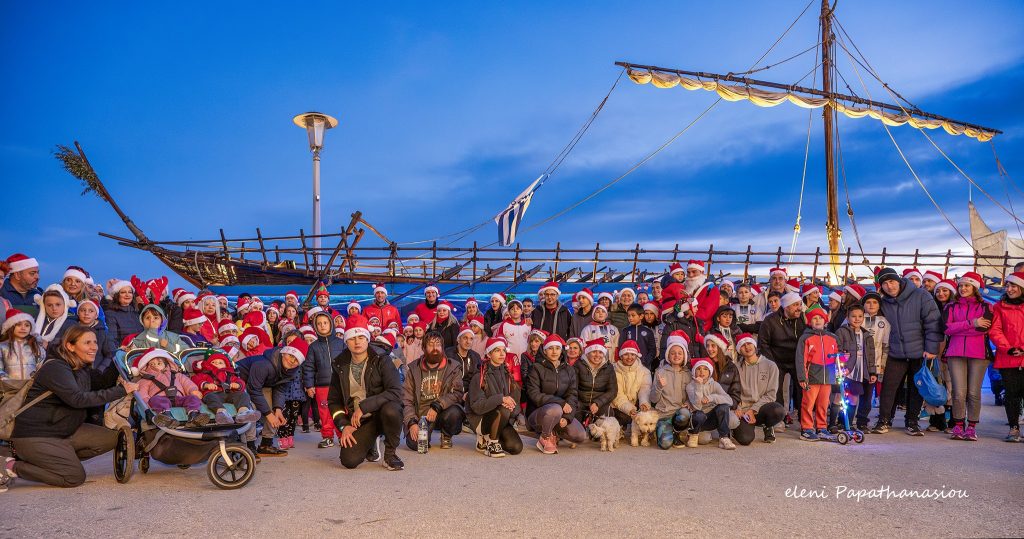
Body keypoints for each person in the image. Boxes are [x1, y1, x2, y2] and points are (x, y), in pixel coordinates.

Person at [3, 326, 135, 490]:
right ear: (70, 346)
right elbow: (77, 399)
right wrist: (121, 390)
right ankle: (11, 466)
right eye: (87, 342)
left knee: (110, 438)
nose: (94, 346)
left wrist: (120, 355)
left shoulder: (80, 368)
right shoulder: (56, 368)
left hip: (63, 430)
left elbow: (101, 382)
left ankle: (54, 459)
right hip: (36, 434)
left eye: (94, 342)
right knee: (74, 477)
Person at [327, 314, 405, 470]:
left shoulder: (382, 359)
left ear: (367, 338)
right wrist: (344, 426)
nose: (357, 342)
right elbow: (333, 401)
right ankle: (370, 442)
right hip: (359, 421)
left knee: (392, 410)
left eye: (361, 337)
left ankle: (390, 454)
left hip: (381, 412)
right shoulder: (339, 364)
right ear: (346, 341)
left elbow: (396, 391)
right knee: (349, 460)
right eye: (352, 338)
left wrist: (364, 407)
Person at [872, 267, 941, 436]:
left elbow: (933, 322)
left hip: (919, 352)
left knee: (917, 387)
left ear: (899, 281)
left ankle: (912, 421)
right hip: (895, 352)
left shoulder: (921, 296)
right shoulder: (884, 301)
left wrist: (931, 348)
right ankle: (884, 420)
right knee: (889, 387)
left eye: (892, 281)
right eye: (885, 284)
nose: (889, 286)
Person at [236, 338, 307, 457]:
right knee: (251, 408)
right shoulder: (264, 364)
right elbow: (253, 390)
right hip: (240, 382)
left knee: (275, 409)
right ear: (284, 352)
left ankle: (266, 444)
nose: (292, 361)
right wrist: (269, 415)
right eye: (291, 356)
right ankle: (250, 445)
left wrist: (278, 409)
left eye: (296, 360)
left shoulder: (291, 371)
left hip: (261, 385)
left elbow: (280, 389)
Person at [942, 272, 991, 441]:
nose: (963, 288)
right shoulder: (950, 307)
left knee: (973, 392)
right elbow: (947, 328)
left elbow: (983, 329)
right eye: (961, 285)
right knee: (958, 392)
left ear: (975, 288)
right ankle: (958, 425)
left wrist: (960, 327)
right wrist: (972, 323)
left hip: (978, 354)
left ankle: (971, 427)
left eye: (967, 285)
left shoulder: (986, 307)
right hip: (955, 353)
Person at [403, 330, 465, 451]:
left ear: (442, 347)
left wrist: (438, 405)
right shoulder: (413, 369)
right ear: (424, 347)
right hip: (421, 416)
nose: (435, 348)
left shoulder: (453, 367)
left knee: (454, 413)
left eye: (438, 345)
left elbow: (457, 393)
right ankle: (426, 434)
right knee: (415, 444)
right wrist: (411, 422)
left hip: (443, 410)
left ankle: (446, 434)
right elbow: (406, 399)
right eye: (430, 345)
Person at [526, 333, 587, 454]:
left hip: (561, 413)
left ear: (562, 350)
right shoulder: (536, 368)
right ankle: (545, 437)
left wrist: (568, 417)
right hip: (538, 413)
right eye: (550, 348)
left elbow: (572, 395)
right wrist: (561, 403)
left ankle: (554, 431)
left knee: (580, 435)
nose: (554, 352)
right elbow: (534, 395)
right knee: (555, 409)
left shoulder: (569, 369)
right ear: (544, 350)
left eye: (557, 348)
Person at [467, 337, 524, 458]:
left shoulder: (508, 374)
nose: (502, 353)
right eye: (497, 350)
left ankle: (488, 439)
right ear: (489, 353)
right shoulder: (480, 376)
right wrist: (501, 399)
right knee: (501, 409)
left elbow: (516, 402)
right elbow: (477, 407)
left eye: (504, 350)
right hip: (482, 419)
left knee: (516, 447)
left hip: (502, 418)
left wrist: (512, 407)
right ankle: (491, 443)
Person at [757, 292, 806, 425]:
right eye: (795, 305)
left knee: (803, 388)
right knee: (776, 389)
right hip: (776, 359)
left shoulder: (802, 318)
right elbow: (763, 343)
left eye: (800, 304)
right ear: (786, 307)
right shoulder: (770, 320)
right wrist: (771, 363)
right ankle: (778, 419)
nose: (799, 308)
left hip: (796, 359)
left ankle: (805, 420)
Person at [132, 348, 209, 428]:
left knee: (193, 398)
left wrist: (193, 390)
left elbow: (187, 383)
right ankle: (166, 416)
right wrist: (146, 403)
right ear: (146, 367)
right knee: (155, 399)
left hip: (179, 398)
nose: (155, 366)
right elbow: (142, 392)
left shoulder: (177, 375)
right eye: (152, 364)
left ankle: (194, 415)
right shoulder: (146, 379)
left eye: (159, 363)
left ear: (166, 364)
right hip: (161, 399)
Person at [988, 271, 1024, 442]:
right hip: (1008, 357)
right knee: (1012, 394)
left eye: (1013, 286)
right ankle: (1014, 428)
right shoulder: (999, 306)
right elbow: (995, 330)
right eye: (1008, 285)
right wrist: (1008, 348)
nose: (1009, 289)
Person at [303, 310, 346, 449]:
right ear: (315, 326)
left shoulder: (341, 343)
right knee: (325, 412)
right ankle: (327, 437)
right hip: (322, 385)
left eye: (325, 323)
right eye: (319, 323)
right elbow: (308, 367)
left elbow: (348, 363)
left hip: (340, 385)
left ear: (331, 324)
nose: (322, 326)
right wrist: (309, 385)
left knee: (341, 410)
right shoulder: (313, 347)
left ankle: (342, 434)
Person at [795, 307, 839, 441]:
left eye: (820, 317)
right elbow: (800, 358)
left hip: (828, 377)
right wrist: (802, 377)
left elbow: (837, 356)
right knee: (808, 403)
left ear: (825, 321)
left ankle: (821, 427)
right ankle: (807, 429)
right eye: (814, 318)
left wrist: (840, 367)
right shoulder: (805, 338)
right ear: (810, 321)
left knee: (823, 404)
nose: (818, 320)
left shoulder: (833, 338)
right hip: (811, 377)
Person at [732, 334, 784, 445]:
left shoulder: (770, 365)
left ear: (755, 346)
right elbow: (733, 392)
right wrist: (738, 408)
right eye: (743, 345)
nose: (747, 347)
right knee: (745, 439)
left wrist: (753, 410)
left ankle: (768, 426)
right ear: (739, 350)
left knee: (778, 411)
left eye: (749, 343)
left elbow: (771, 394)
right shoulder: (735, 368)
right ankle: (738, 428)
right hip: (743, 410)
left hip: (761, 408)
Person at [835, 305, 877, 431]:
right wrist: (843, 356)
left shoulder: (867, 335)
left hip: (860, 371)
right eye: (853, 316)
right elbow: (837, 348)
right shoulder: (841, 332)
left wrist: (872, 372)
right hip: (846, 370)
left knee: (854, 397)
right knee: (840, 397)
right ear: (847, 318)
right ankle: (839, 422)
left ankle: (849, 423)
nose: (857, 319)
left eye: (860, 316)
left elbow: (871, 355)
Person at [190, 352, 261, 424]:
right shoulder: (205, 373)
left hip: (229, 393)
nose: (217, 364)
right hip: (213, 393)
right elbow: (196, 379)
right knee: (210, 397)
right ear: (208, 364)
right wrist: (206, 385)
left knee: (243, 395)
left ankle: (243, 412)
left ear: (225, 365)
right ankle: (222, 413)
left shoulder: (229, 374)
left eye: (220, 362)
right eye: (213, 362)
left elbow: (239, 381)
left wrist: (237, 385)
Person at [650, 331, 693, 449]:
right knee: (665, 445)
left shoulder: (688, 374)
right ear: (668, 355)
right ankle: (666, 431)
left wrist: (689, 402)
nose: (676, 356)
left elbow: (691, 395)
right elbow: (653, 398)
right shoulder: (660, 372)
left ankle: (677, 432)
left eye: (680, 353)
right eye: (673, 353)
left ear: (684, 355)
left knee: (685, 414)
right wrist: (659, 386)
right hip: (663, 414)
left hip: (679, 413)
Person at [685, 359, 737, 449]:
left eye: (705, 369)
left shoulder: (715, 385)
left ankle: (724, 437)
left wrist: (711, 397)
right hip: (699, 420)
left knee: (723, 407)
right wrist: (698, 386)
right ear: (694, 372)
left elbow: (729, 400)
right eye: (698, 369)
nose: (702, 371)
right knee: (703, 437)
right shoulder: (690, 386)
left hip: (712, 417)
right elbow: (697, 406)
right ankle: (693, 434)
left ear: (709, 372)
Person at [610, 340, 652, 430]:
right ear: (621, 356)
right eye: (626, 354)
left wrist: (644, 403)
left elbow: (645, 389)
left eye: (632, 354)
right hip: (619, 406)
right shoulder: (613, 371)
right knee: (624, 417)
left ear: (636, 355)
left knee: (646, 413)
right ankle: (620, 427)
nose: (629, 357)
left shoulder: (644, 371)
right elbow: (618, 395)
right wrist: (630, 409)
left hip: (636, 403)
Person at [575, 339, 618, 424]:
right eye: (594, 352)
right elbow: (572, 388)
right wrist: (579, 402)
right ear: (587, 353)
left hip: (599, 403)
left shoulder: (609, 368)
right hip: (581, 402)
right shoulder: (578, 365)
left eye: (601, 352)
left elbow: (612, 390)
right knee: (575, 410)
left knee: (608, 413)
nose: (597, 355)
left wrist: (598, 403)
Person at [0, 308, 45, 380]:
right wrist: (7, 381)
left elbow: (42, 368)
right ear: (10, 327)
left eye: (27, 325)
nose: (23, 328)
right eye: (18, 325)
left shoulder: (35, 346)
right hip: (8, 388)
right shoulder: (2, 346)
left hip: (32, 388)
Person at [446, 324, 481, 402]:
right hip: (452, 393)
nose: (468, 342)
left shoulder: (476, 356)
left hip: (470, 393)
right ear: (458, 339)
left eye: (471, 339)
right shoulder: (448, 354)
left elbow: (478, 378)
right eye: (465, 338)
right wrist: (459, 394)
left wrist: (470, 393)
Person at [104, 279, 144, 346]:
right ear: (117, 295)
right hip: (123, 352)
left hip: (140, 349)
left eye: (130, 292)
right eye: (123, 292)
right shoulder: (110, 314)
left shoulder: (136, 313)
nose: (127, 295)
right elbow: (111, 339)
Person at [34, 285, 75, 350]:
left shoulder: (71, 324)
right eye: (50, 305)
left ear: (65, 304)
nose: (54, 308)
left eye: (58, 304)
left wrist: (48, 345)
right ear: (44, 306)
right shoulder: (34, 321)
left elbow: (71, 346)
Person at [621, 304, 657, 370]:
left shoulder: (648, 331)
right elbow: (621, 348)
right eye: (628, 316)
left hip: (644, 366)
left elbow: (652, 350)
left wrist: (646, 362)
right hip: (628, 365)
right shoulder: (625, 331)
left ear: (641, 316)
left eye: (633, 315)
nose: (630, 318)